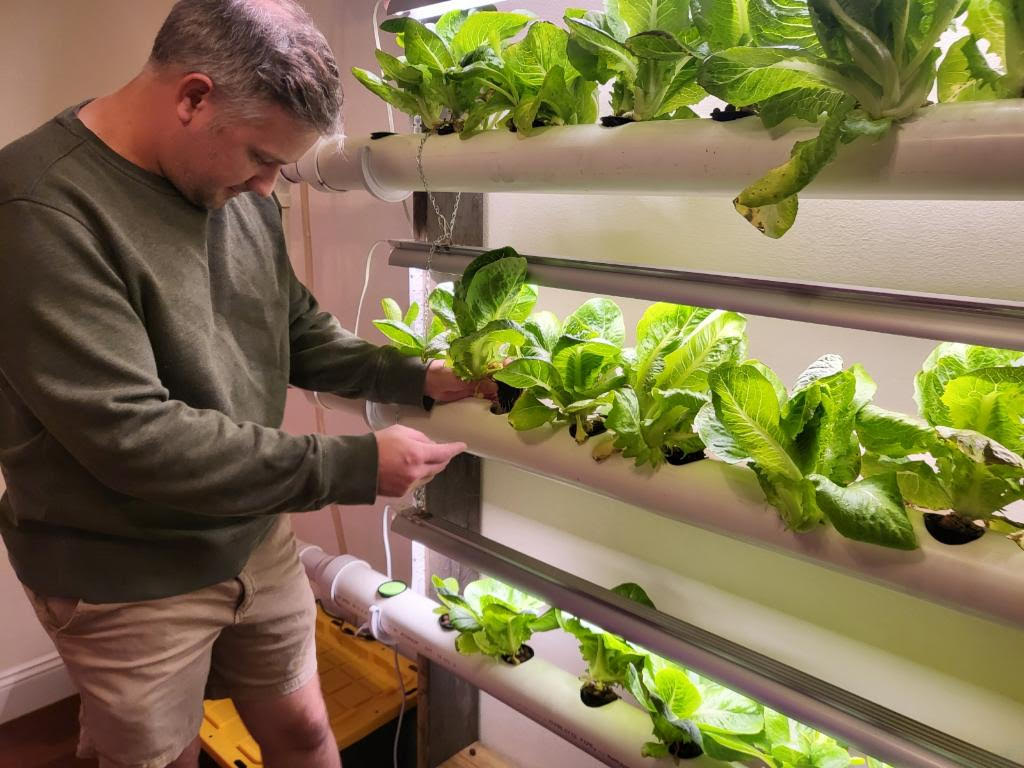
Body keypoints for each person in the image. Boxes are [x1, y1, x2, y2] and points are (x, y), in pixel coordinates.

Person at [0, 1, 490, 766]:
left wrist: (418, 375)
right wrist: (353, 466)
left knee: (301, 731)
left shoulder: (234, 189)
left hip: (252, 534)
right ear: (194, 97)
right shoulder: (37, 207)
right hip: (124, 570)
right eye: (261, 157)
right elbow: (135, 438)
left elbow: (292, 331)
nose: (268, 188)